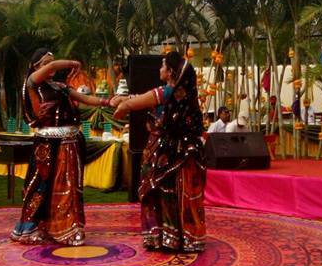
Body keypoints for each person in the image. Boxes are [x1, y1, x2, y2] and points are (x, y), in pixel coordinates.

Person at [11, 49, 114, 246]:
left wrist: (108, 101)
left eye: (52, 61)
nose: (51, 66)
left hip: (70, 145)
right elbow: (52, 67)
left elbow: (86, 99)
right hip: (48, 145)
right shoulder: (33, 83)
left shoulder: (60, 87)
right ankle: (32, 225)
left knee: (69, 186)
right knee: (42, 184)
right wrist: (71, 63)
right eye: (46, 63)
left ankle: (66, 226)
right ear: (35, 67)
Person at [112, 51, 206, 253]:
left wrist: (121, 106)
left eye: (163, 66)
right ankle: (184, 238)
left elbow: (133, 104)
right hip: (185, 152)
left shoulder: (165, 93)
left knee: (158, 191)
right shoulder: (186, 95)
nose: (159, 69)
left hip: (164, 152)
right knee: (177, 193)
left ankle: (162, 236)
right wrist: (124, 99)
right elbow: (138, 98)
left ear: (171, 72)